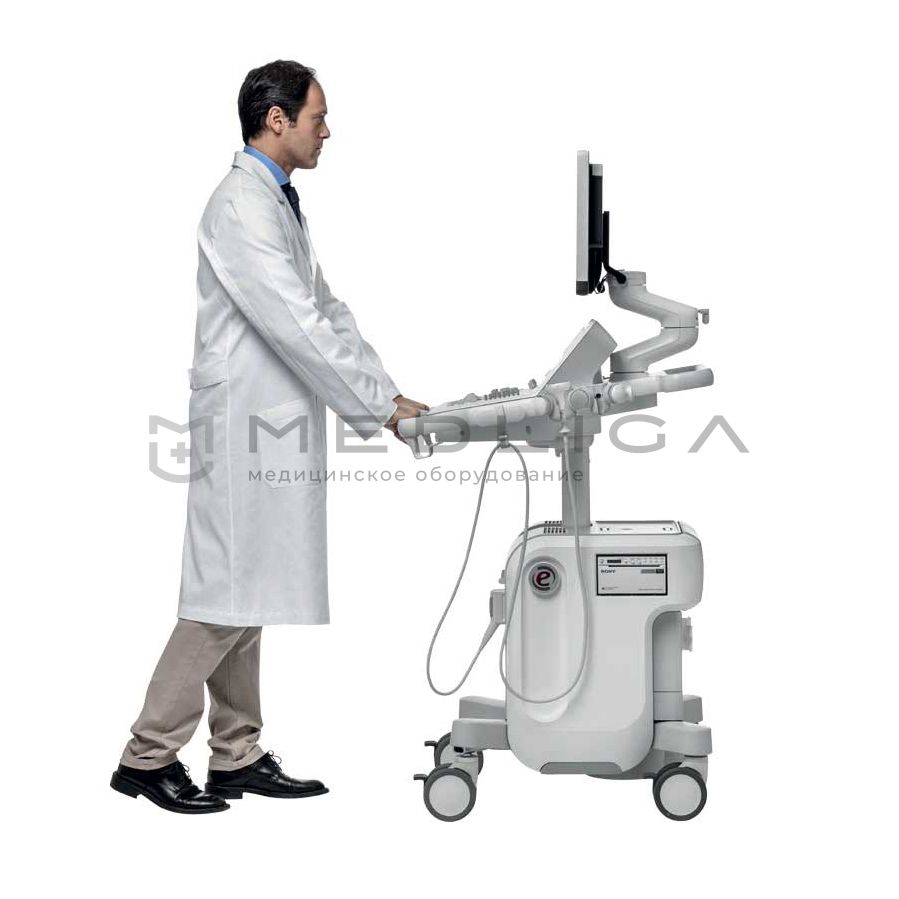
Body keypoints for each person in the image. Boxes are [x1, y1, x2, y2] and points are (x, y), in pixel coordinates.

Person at [111, 60, 427, 814]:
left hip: (268, 422)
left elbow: (328, 310)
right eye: (318, 117)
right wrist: (379, 409)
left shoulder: (276, 202)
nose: (327, 131)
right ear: (276, 119)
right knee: (222, 595)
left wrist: (386, 392)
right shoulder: (239, 206)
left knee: (244, 590)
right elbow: (295, 321)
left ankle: (236, 753)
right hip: (242, 426)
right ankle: (146, 755)